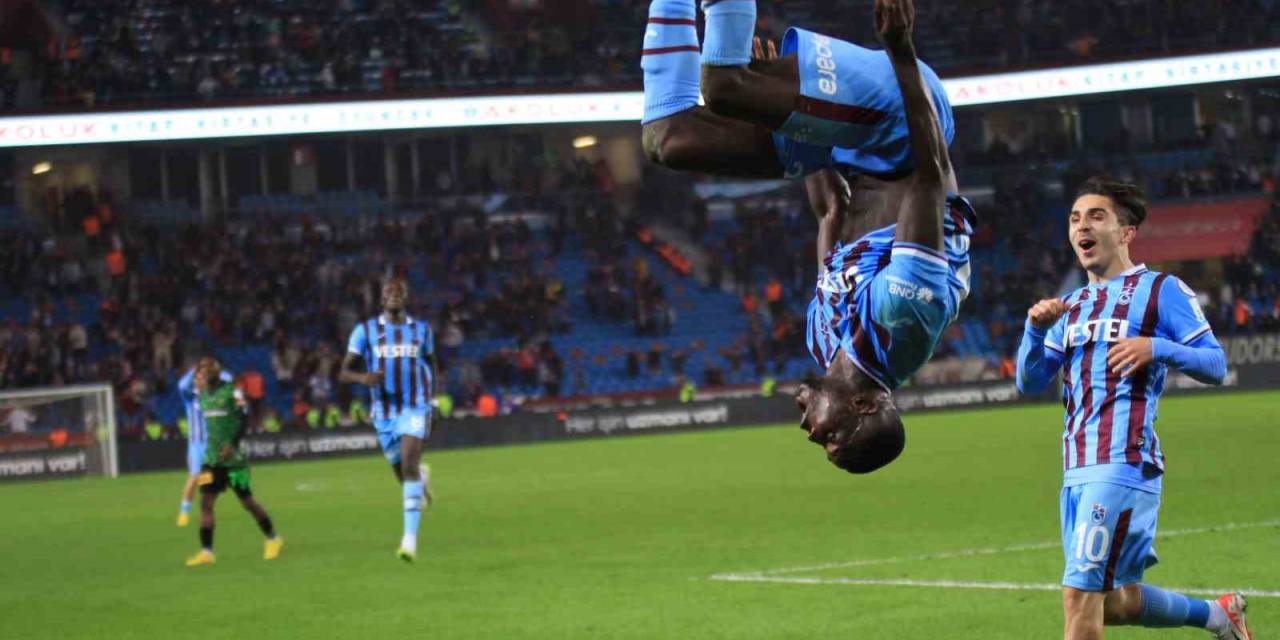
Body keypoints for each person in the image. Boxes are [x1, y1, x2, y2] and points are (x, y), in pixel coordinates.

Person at [642, 0, 971, 473]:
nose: (811, 431)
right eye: (831, 436)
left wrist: (784, 114)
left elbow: (831, 207)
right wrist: (900, 49)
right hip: (905, 123)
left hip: (849, 153)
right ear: (863, 406)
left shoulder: (823, 341)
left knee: (669, 139)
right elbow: (930, 175)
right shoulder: (906, 317)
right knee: (724, 86)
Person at [1015, 177, 1250, 640]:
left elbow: (1215, 364)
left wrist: (1156, 347)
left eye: (1096, 216)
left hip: (1123, 463)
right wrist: (1033, 331)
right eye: (1075, 218)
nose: (1083, 226)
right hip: (1076, 469)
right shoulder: (1071, 306)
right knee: (1115, 603)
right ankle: (1218, 615)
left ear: (1126, 232)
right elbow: (1029, 382)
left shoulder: (1161, 290)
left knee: (1078, 600)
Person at [340, 277, 436, 562]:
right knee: (402, 472)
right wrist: (363, 377)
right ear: (381, 299)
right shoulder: (365, 330)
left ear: (406, 298)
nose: (394, 295)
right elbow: (344, 372)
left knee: (407, 465)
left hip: (415, 406)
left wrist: (433, 401)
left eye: (400, 291)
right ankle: (422, 478)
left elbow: (432, 363)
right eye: (389, 292)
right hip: (383, 413)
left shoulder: (422, 330)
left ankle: (409, 541)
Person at [185, 356, 283, 566]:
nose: (197, 379)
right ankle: (207, 552)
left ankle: (273, 538)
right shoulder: (202, 395)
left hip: (234, 460)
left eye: (200, 375)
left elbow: (244, 419)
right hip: (210, 460)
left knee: (247, 502)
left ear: (211, 374)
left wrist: (232, 444)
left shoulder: (232, 391)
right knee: (205, 503)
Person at [175, 362, 233, 527]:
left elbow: (228, 380)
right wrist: (193, 369)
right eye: (196, 378)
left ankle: (205, 508)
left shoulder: (212, 394)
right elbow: (181, 385)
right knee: (194, 476)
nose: (197, 381)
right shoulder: (190, 396)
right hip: (196, 444)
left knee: (209, 477)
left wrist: (215, 370)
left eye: (201, 377)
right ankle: (184, 512)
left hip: (211, 442)